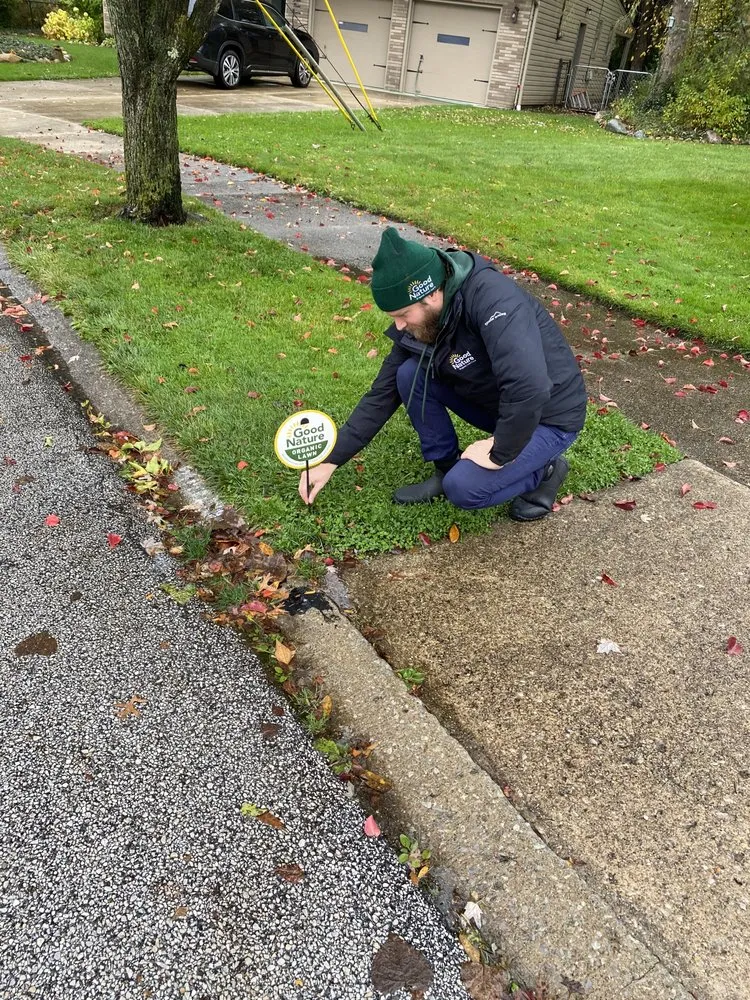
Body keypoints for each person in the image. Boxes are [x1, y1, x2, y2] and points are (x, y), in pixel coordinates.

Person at [298, 227, 587, 521]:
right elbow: (381, 394)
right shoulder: (429, 316)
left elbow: (530, 387)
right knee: (408, 373)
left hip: (550, 415)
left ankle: (546, 470)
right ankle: (446, 465)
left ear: (432, 294)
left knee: (464, 489)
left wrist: (499, 451)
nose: (398, 326)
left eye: (403, 315)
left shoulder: (495, 300)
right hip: (501, 405)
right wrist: (332, 459)